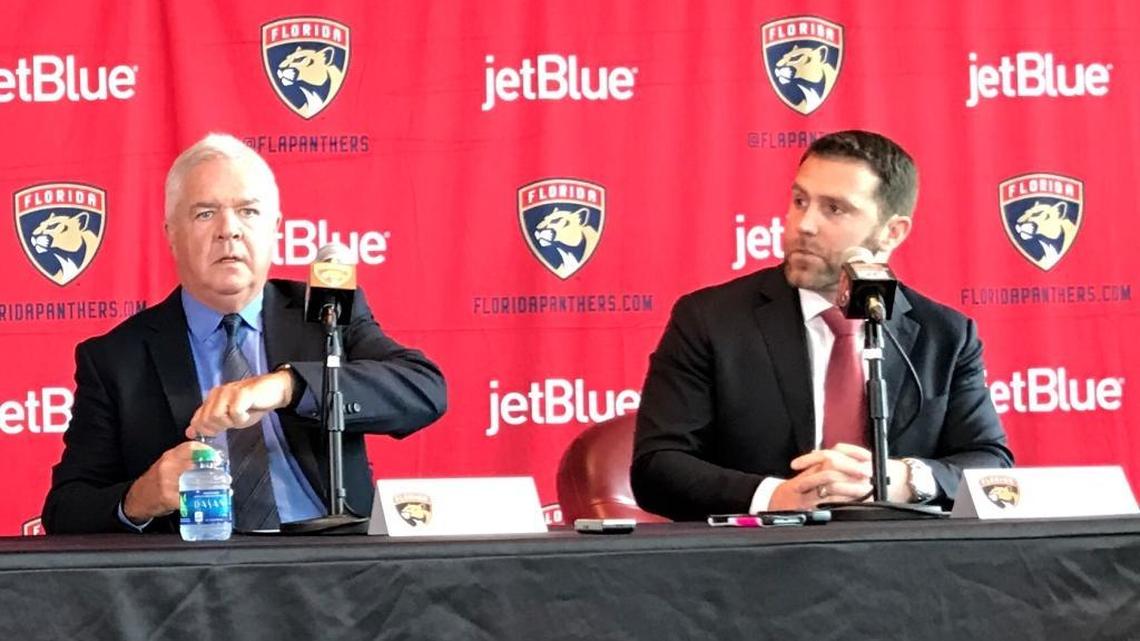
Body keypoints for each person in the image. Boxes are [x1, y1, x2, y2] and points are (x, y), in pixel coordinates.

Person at [42, 133, 447, 534]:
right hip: (195, 580)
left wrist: (288, 385)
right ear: (170, 233)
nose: (228, 231)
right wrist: (141, 497)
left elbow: (424, 389)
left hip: (331, 566)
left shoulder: (325, 314)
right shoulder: (116, 358)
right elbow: (65, 511)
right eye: (205, 213)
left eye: (248, 212)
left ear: (275, 229)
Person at [631, 130, 1013, 522]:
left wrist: (900, 480)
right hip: (758, 566)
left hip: (899, 569)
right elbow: (657, 467)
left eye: (834, 209)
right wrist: (775, 496)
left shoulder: (944, 335)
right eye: (799, 201)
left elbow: (992, 467)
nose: (805, 224)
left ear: (892, 231)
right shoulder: (710, 320)